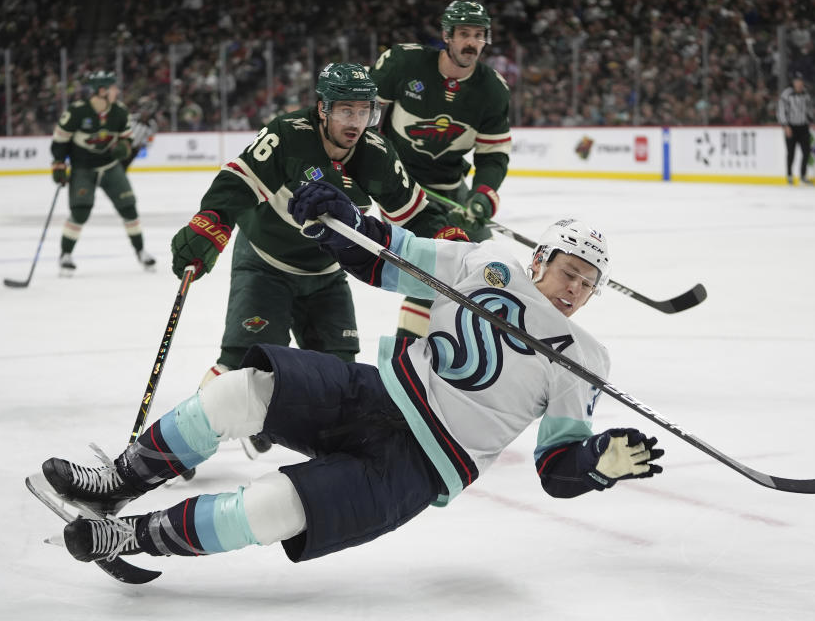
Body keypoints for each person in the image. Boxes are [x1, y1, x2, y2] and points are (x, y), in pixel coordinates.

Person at [38, 179, 663, 566]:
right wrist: (343, 224)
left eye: (589, 282)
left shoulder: (582, 357)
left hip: (420, 466)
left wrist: (596, 464)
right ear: (541, 257)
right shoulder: (491, 261)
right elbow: (397, 259)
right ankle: (116, 479)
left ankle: (132, 537)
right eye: (569, 269)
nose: (575, 288)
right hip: (378, 393)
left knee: (272, 507)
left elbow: (557, 469)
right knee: (240, 390)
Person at [168, 62, 462, 457]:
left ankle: (314, 452)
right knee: (242, 366)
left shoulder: (375, 154)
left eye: (364, 112)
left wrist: (450, 241)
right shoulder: (287, 135)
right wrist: (211, 224)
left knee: (338, 374)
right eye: (345, 111)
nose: (356, 122)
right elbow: (238, 181)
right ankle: (175, 446)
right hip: (265, 263)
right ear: (322, 108)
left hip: (325, 273)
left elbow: (415, 211)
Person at [369, 0, 512, 339]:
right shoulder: (404, 63)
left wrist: (482, 195)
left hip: (450, 187)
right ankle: (406, 357)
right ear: (447, 36)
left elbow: (493, 154)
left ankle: (473, 345)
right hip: (401, 186)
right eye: (464, 33)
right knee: (433, 268)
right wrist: (371, 170)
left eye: (479, 35)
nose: (471, 43)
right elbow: (364, 117)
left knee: (489, 264)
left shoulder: (492, 89)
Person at [50, 71, 156, 274]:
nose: (117, 91)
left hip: (109, 166)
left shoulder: (119, 111)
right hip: (83, 168)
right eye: (113, 88)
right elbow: (60, 141)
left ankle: (141, 251)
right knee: (80, 211)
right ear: (102, 91)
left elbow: (126, 138)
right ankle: (65, 255)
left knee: (129, 208)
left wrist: (123, 148)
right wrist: (58, 165)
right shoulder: (77, 111)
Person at [778, 71, 813, 185]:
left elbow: (809, 110)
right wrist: (785, 126)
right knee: (791, 153)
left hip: (803, 126)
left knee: (806, 152)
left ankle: (803, 175)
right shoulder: (786, 94)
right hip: (791, 127)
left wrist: (811, 120)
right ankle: (789, 175)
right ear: (793, 82)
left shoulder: (806, 94)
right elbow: (781, 111)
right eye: (797, 81)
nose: (799, 84)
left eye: (801, 81)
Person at [120, 96, 159, 170]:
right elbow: (122, 128)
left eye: (147, 111)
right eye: (143, 110)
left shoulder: (152, 125)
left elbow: (150, 139)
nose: (144, 113)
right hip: (124, 145)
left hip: (134, 149)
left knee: (124, 168)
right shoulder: (132, 118)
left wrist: (144, 145)